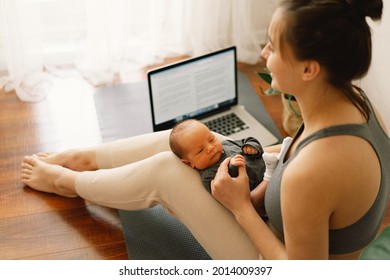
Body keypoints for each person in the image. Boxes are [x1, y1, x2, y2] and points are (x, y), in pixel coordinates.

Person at [21, 0, 389, 260]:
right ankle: (86, 158)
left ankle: (67, 183)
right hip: (280, 208)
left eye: (273, 46)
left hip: (270, 258)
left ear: (310, 69)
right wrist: (262, 156)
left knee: (166, 169)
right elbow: (302, 159)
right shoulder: (348, 99)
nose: (263, 54)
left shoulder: (314, 171)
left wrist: (241, 207)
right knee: (196, 138)